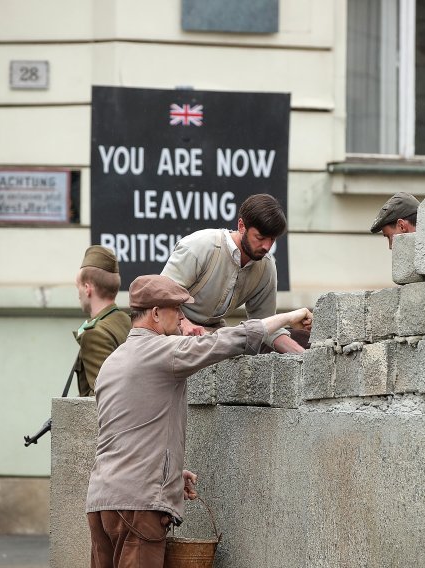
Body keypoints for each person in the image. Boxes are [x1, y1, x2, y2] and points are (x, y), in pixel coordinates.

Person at [85, 274, 312, 568]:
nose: (182, 316)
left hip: (102, 502)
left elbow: (123, 432)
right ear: (155, 313)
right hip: (138, 506)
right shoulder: (163, 351)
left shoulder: (112, 362)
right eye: (176, 309)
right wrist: (287, 318)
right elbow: (226, 341)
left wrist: (169, 473)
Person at [161, 193, 308, 353]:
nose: (267, 247)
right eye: (260, 237)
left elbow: (265, 327)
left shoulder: (266, 266)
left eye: (272, 240)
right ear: (241, 226)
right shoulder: (200, 247)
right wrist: (184, 325)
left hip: (213, 336)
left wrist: (303, 357)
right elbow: (159, 297)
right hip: (168, 332)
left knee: (299, 339)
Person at [74, 245, 131, 396]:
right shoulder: (128, 322)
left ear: (87, 288)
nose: (78, 294)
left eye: (78, 287)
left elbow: (103, 399)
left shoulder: (94, 334)